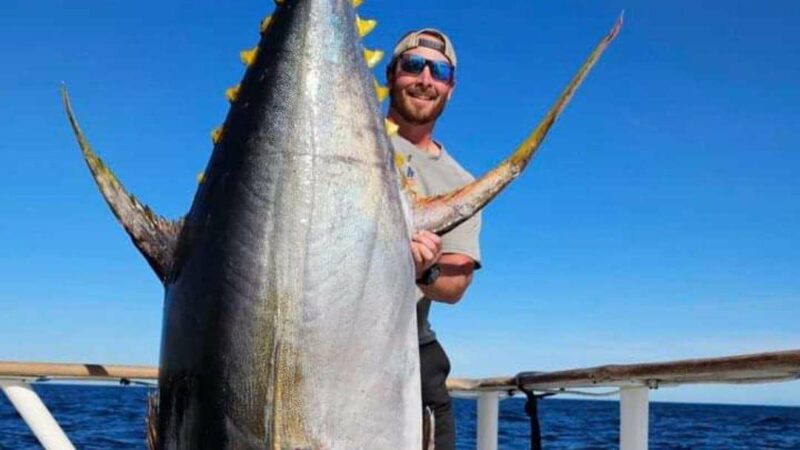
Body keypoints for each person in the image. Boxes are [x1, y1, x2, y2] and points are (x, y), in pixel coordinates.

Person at [388, 29, 482, 450]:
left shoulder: (461, 184)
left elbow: (456, 284)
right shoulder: (341, 138)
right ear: (392, 74)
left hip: (409, 348)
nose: (426, 78)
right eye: (413, 66)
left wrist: (426, 271)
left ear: (450, 87)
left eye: (439, 70)